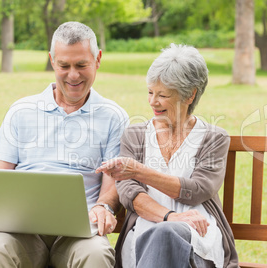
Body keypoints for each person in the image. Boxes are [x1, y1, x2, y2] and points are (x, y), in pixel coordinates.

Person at [0, 21, 129, 268]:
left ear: (98, 59)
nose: (73, 75)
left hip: (80, 234)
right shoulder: (21, 111)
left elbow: (113, 185)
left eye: (81, 65)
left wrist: (104, 207)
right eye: (64, 65)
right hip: (22, 232)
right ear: (52, 60)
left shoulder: (113, 116)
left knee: (97, 255)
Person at [96, 44, 239, 268]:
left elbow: (198, 189)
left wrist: (138, 171)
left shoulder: (214, 138)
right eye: (150, 92)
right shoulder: (135, 135)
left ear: (190, 94)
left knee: (168, 234)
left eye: (162, 95)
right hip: (145, 232)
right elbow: (128, 193)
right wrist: (169, 217)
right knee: (163, 233)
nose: (153, 102)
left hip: (198, 237)